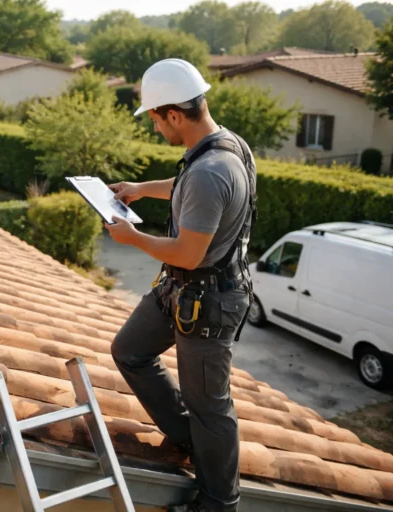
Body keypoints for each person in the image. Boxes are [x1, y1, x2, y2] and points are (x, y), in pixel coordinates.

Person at [106, 59, 257, 512]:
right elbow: (187, 185)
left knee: (210, 405)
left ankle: (217, 501)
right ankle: (190, 438)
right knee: (129, 350)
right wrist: (139, 188)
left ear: (174, 114)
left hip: (207, 302)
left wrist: (132, 238)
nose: (155, 128)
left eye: (155, 119)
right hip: (183, 290)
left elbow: (188, 253)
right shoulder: (222, 148)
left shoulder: (213, 170)